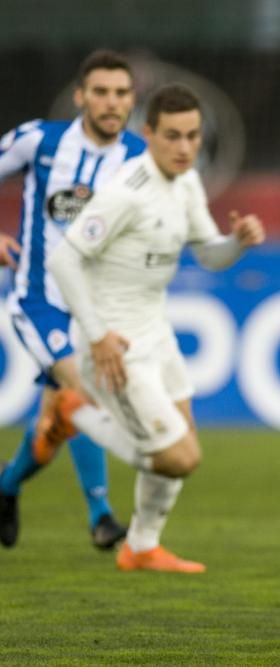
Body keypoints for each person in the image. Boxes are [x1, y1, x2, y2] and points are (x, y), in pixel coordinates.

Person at [45, 82, 265, 573]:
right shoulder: (127, 191)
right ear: (147, 133)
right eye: (173, 136)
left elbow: (209, 254)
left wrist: (237, 242)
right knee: (180, 458)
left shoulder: (186, 182)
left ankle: (142, 545)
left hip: (155, 331)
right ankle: (75, 410)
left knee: (183, 439)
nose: (185, 147)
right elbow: (63, 260)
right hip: (114, 342)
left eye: (192, 136)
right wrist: (99, 335)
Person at [0, 49, 145, 550]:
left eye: (121, 93)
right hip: (37, 298)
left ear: (132, 100)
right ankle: (102, 516)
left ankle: (5, 486)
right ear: (81, 96)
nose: (111, 102)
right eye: (101, 92)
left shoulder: (138, 161)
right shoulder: (38, 140)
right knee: (83, 390)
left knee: (56, 420)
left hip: (94, 308)